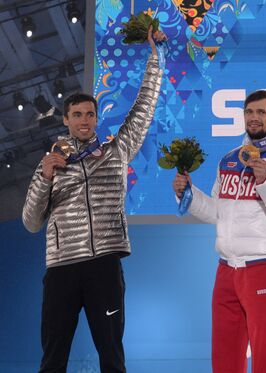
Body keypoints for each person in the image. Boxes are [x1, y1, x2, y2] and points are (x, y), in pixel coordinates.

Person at [22, 28, 166, 373]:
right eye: (77, 115)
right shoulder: (50, 163)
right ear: (66, 120)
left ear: (97, 118)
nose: (84, 120)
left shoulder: (116, 152)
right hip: (61, 270)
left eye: (89, 114)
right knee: (53, 357)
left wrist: (155, 59)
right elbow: (30, 222)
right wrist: (45, 177)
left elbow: (143, 108)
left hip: (104, 266)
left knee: (112, 357)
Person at [172, 90, 266, 373]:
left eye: (261, 112)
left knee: (264, 356)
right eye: (249, 112)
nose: (254, 117)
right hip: (226, 270)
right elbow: (216, 212)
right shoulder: (229, 160)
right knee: (224, 355)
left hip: (263, 266)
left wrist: (265, 181)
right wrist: (188, 194)